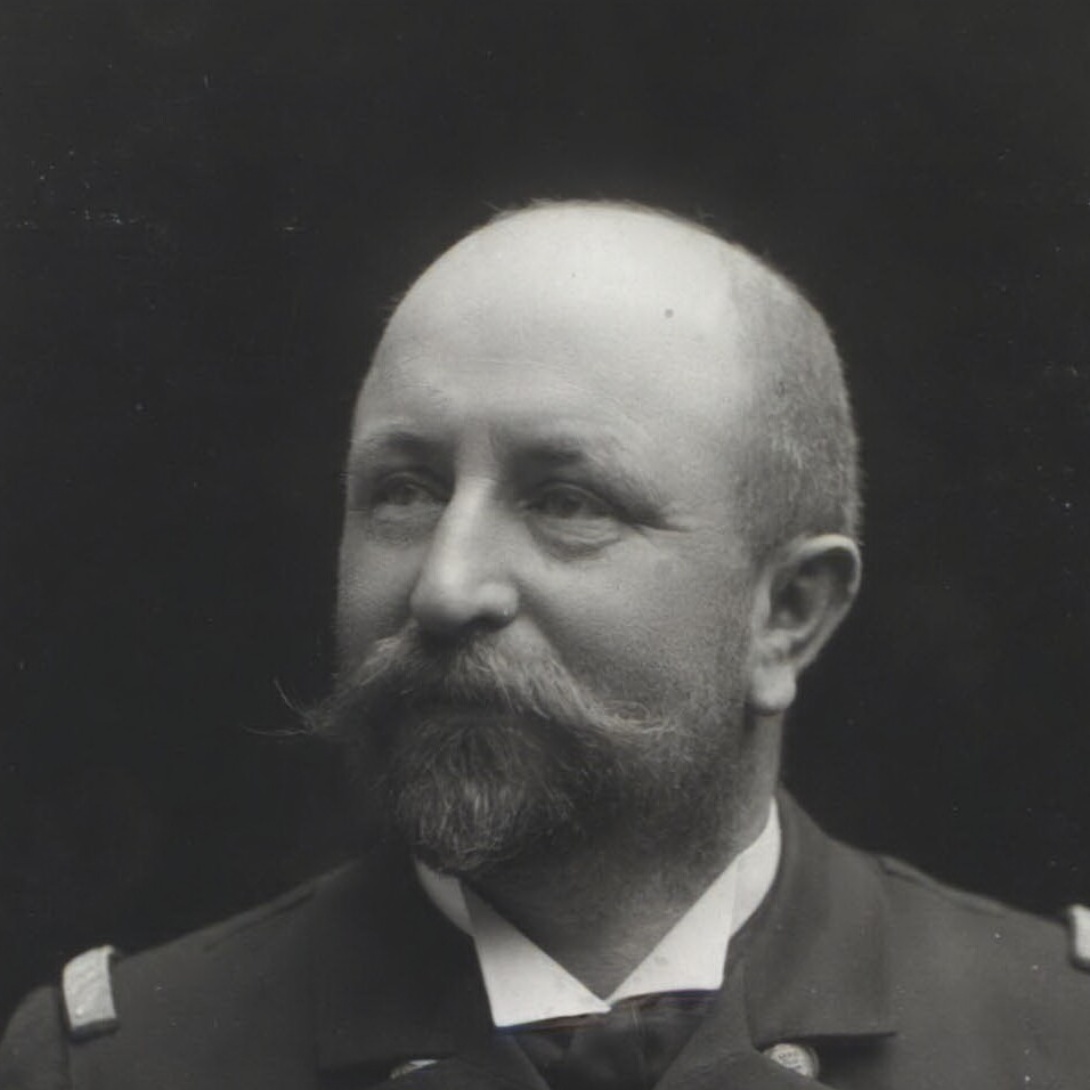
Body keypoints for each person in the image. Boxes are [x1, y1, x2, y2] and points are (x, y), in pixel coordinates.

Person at [2, 199, 1089, 1089]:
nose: (444, 587)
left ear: (787, 614)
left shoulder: (1055, 1039)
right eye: (404, 490)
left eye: (568, 502)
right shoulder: (114, 1068)